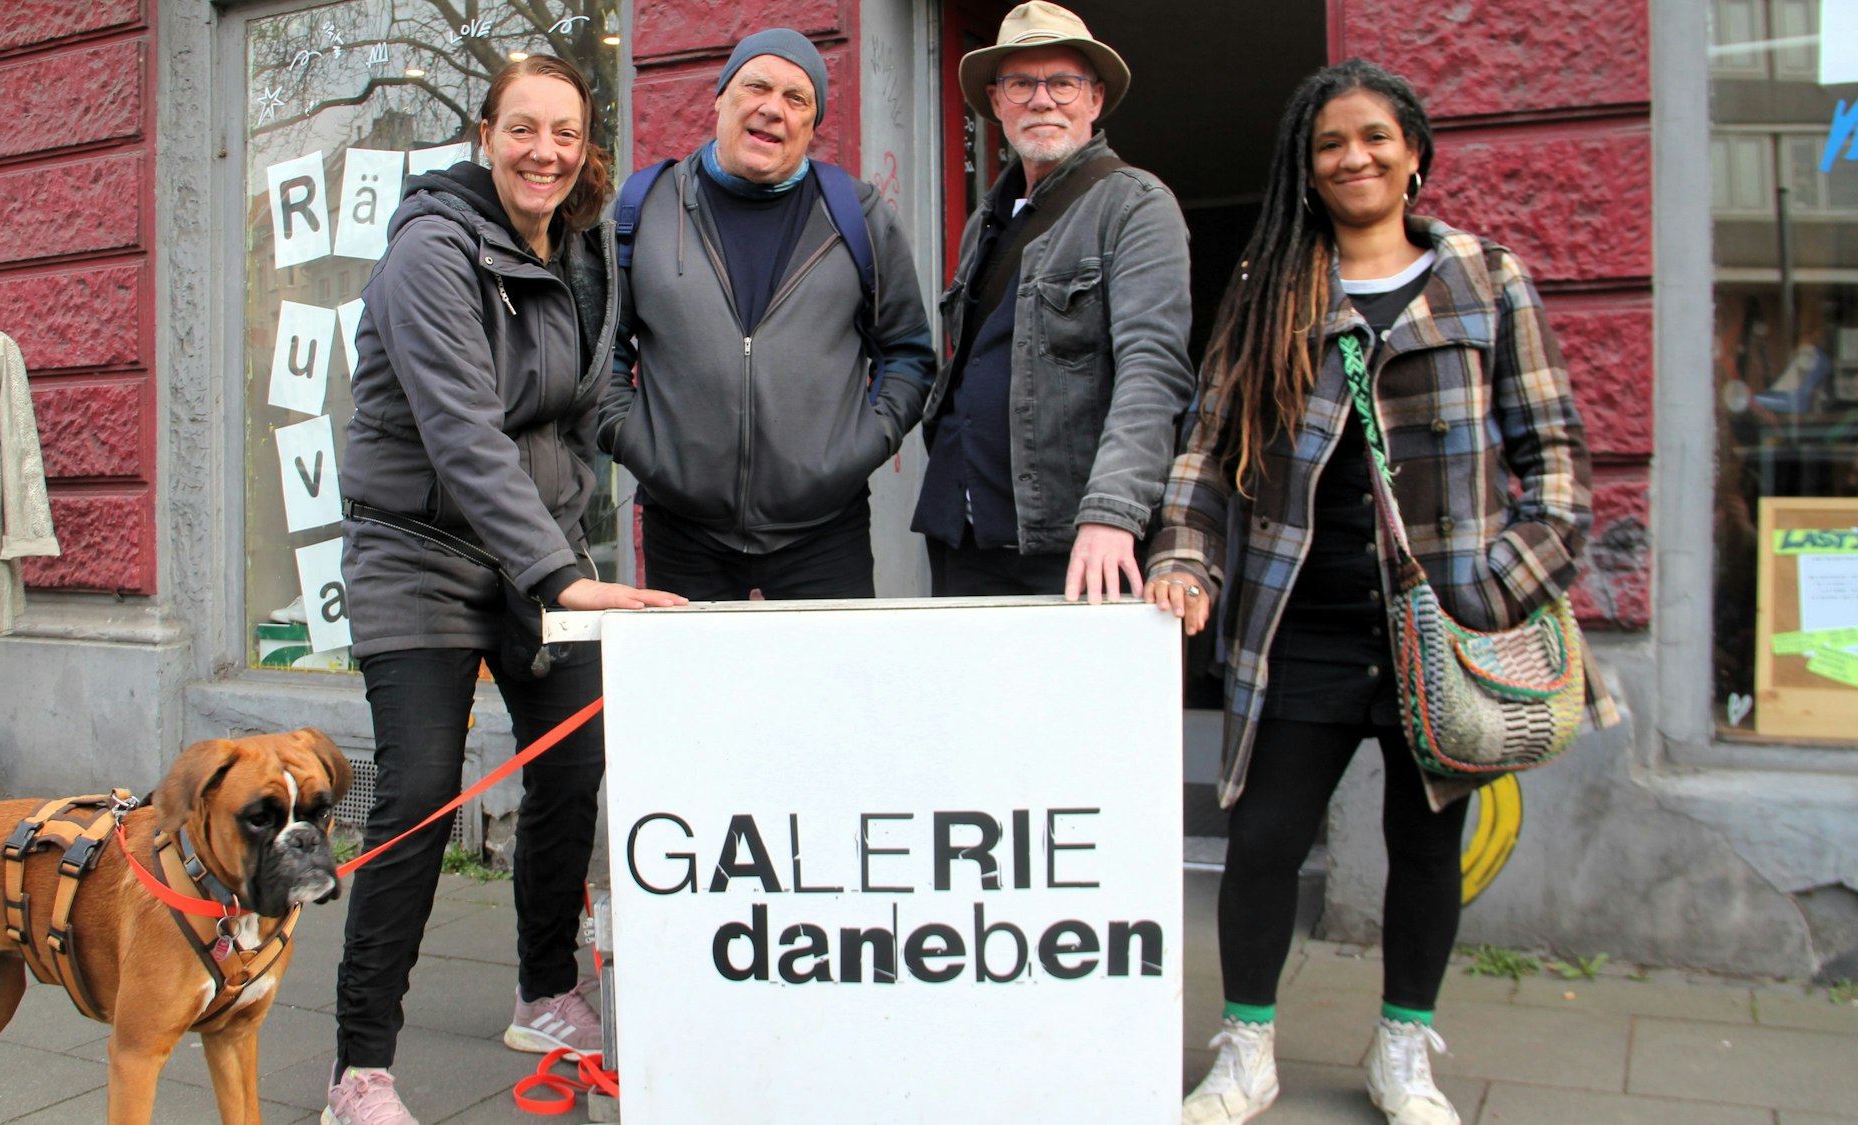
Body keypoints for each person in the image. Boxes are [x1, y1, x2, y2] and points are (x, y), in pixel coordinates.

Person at [1144, 59, 1615, 1125]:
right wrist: (1182, 555)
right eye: (1328, 144)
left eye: (1373, 137)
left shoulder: (1486, 280)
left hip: (1444, 625)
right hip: (1296, 620)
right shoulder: (1270, 288)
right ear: (1304, 170)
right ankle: (1245, 1049)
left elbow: (1556, 459)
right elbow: (1206, 447)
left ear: (1412, 154)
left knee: (1424, 844)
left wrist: (1501, 584)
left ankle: (1402, 1048)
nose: (1352, 156)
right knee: (1262, 840)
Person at [326, 55, 684, 1125]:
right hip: (418, 554)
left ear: (584, 144)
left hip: (533, 558)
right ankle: (357, 1069)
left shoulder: (576, 251)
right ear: (483, 134)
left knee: (572, 765)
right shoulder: (430, 253)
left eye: (564, 133)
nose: (544, 151)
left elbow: (576, 417)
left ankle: (545, 993)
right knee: (422, 792)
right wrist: (568, 581)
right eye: (522, 129)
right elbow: (463, 439)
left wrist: (619, 521)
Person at [598, 28, 936, 601]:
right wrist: (637, 443)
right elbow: (604, 350)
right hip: (683, 528)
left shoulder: (857, 213)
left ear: (812, 123)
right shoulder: (643, 207)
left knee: (831, 691)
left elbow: (907, 351)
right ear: (721, 98)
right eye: (756, 86)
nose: (772, 108)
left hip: (826, 529)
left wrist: (862, 445)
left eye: (796, 98)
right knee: (699, 691)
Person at [912, 1, 1193, 602]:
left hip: (1070, 542)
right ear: (996, 102)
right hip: (960, 531)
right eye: (1021, 84)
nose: (1042, 100)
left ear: (1094, 100)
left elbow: (1153, 370)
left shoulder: (1137, 206)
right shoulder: (985, 219)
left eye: (1063, 83)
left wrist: (1113, 512)